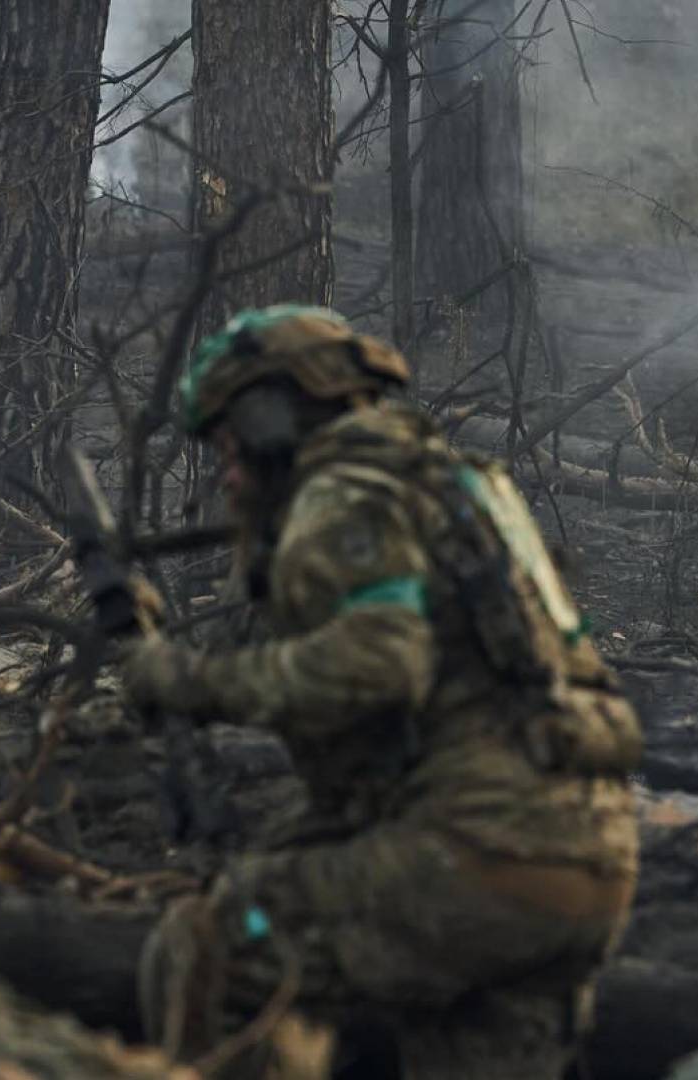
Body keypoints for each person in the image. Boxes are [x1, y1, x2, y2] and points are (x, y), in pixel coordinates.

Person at [122, 304, 641, 1079]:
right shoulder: (470, 492)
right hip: (586, 867)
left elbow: (376, 667)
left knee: (212, 941)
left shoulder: (344, 496)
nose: (227, 476)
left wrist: (184, 679)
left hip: (470, 861)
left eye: (229, 448)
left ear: (269, 425)